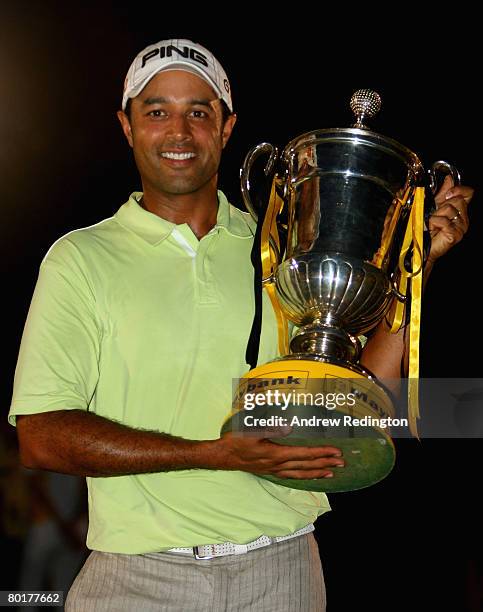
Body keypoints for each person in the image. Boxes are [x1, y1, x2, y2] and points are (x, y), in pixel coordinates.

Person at [8, 38, 473, 611]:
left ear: (228, 130)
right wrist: (216, 453)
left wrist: (415, 267)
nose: (179, 132)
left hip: (284, 571)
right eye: (157, 111)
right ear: (127, 127)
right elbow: (41, 436)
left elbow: (354, 405)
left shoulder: (284, 247)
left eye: (198, 112)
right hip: (138, 578)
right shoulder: (79, 258)